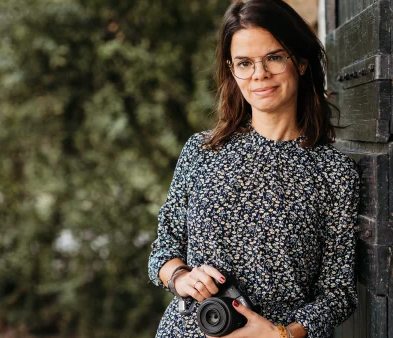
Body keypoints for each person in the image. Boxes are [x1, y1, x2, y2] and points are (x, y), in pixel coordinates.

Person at [148, 1, 360, 337]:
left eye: (274, 57)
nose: (259, 74)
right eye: (245, 63)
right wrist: (181, 277)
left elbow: (338, 294)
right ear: (232, 70)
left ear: (301, 62)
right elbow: (165, 247)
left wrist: (281, 333)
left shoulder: (334, 173)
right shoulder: (202, 151)